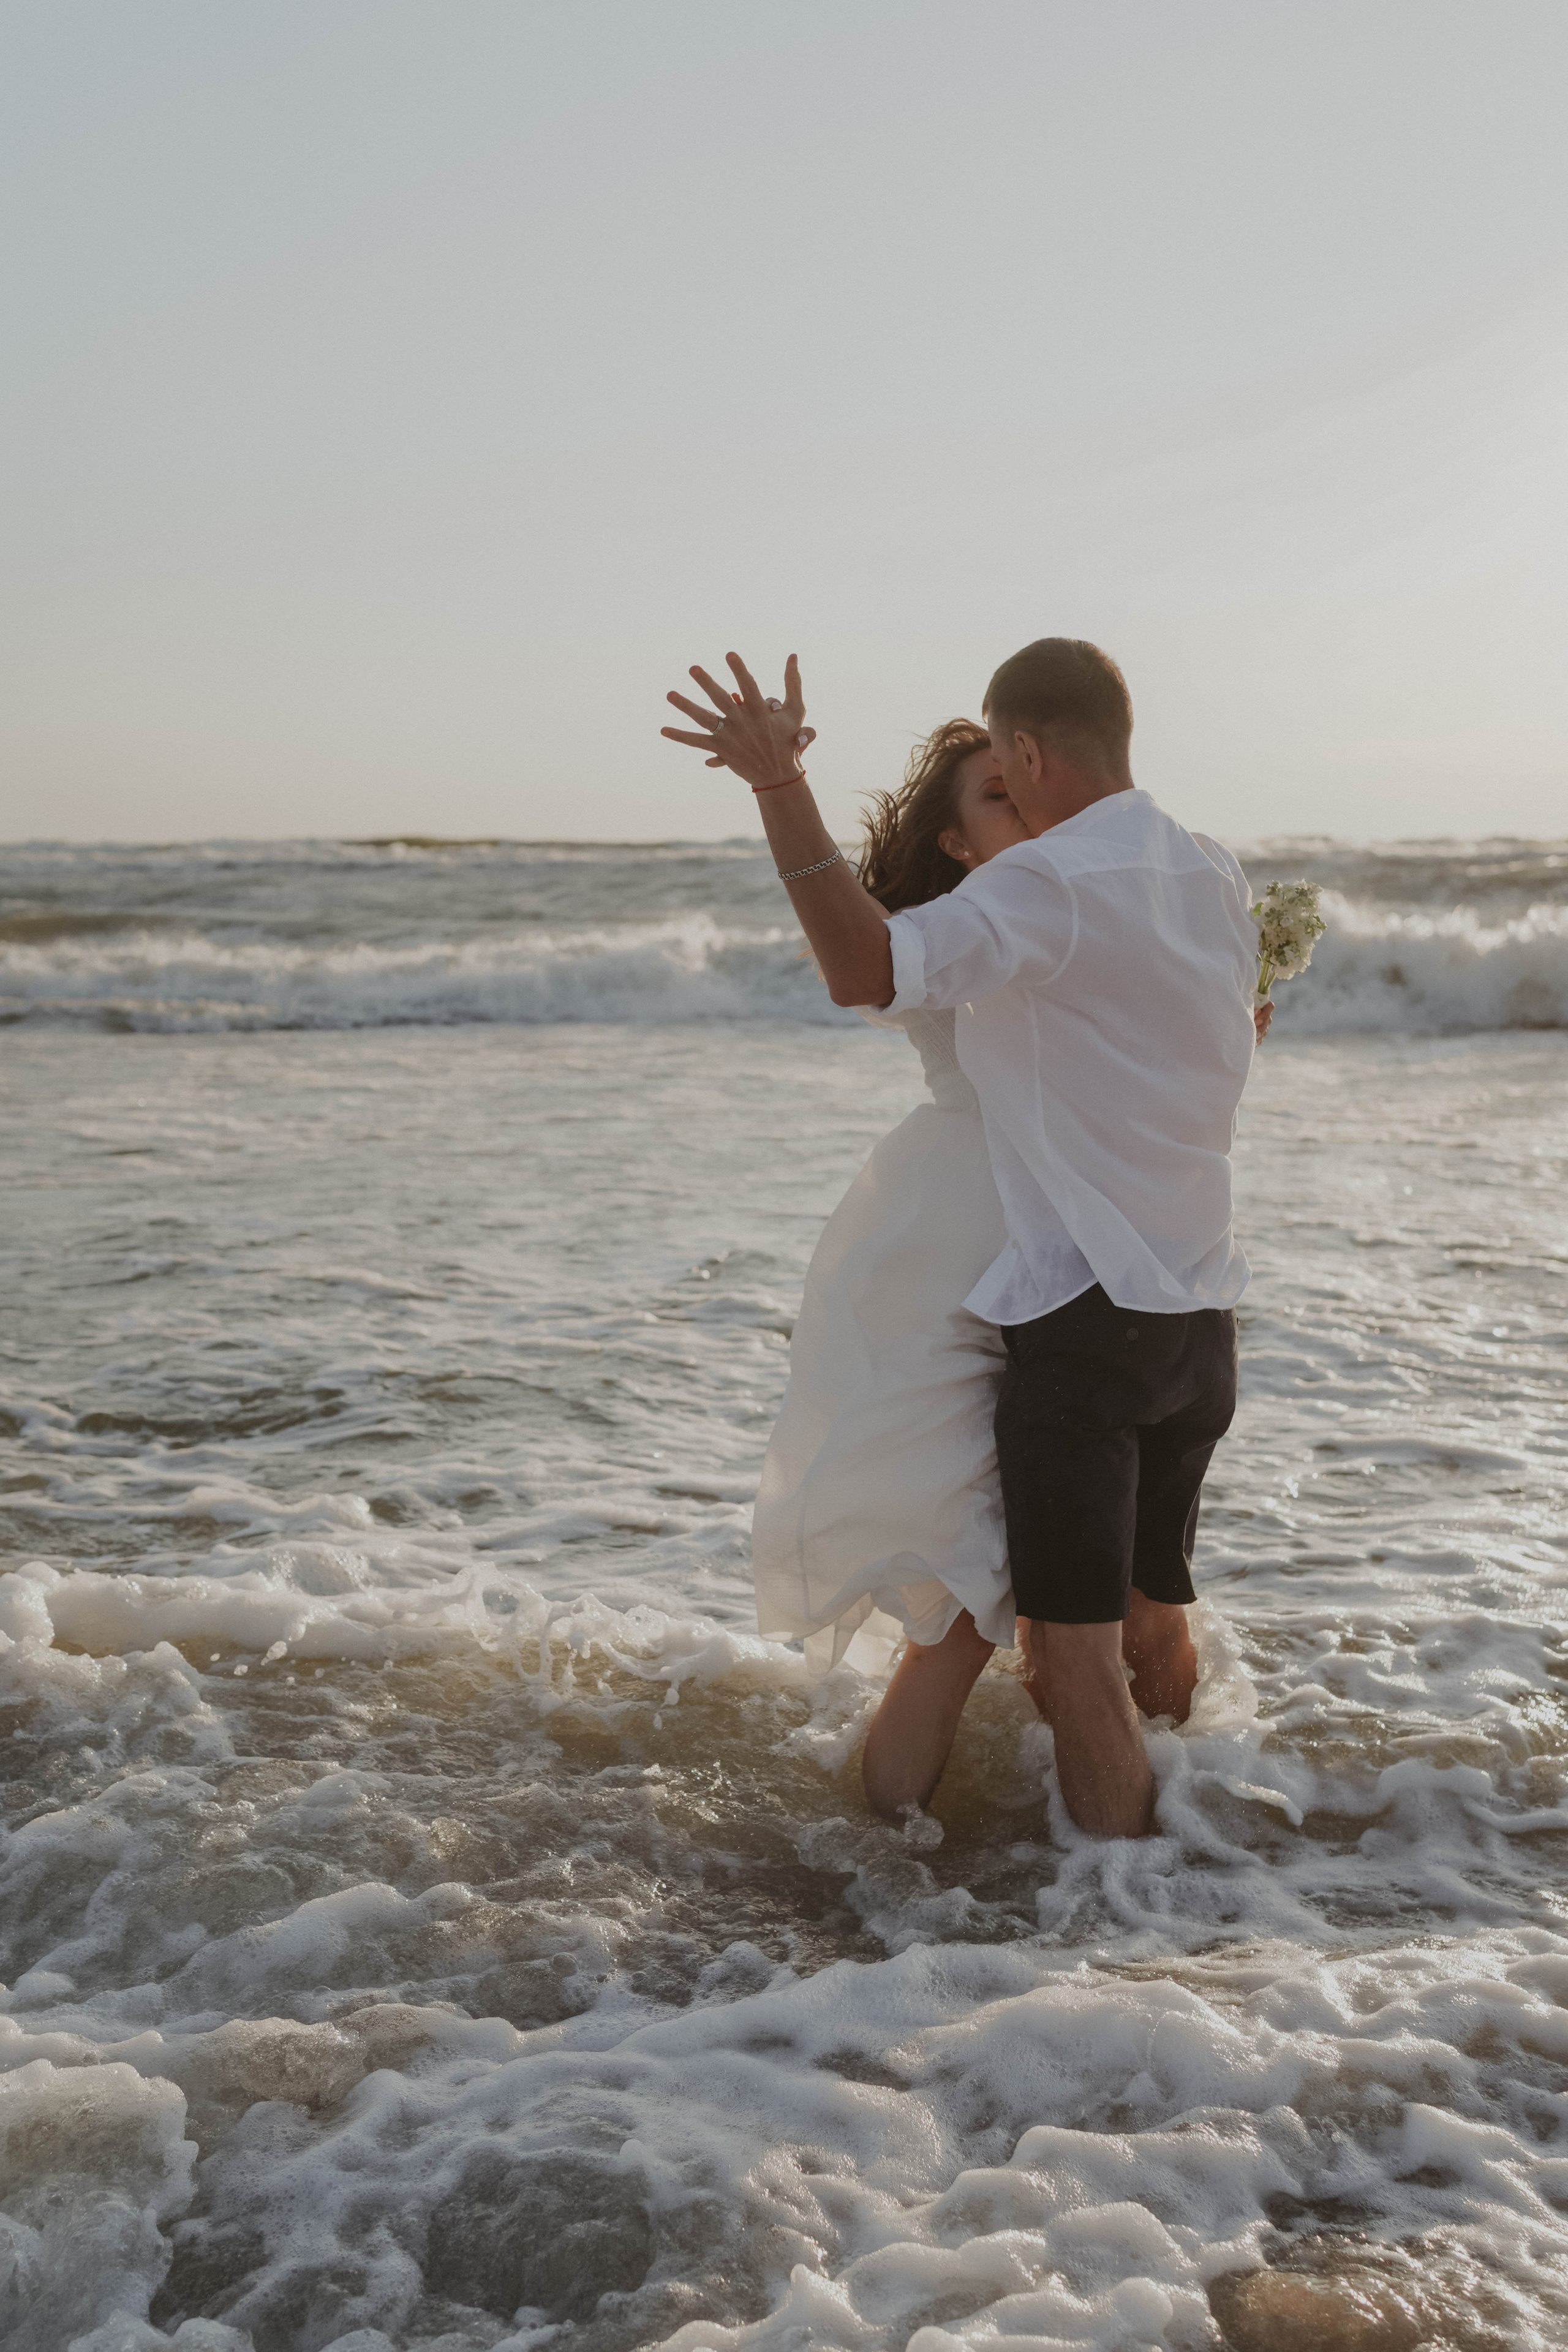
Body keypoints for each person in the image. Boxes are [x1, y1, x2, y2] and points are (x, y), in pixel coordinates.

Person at [663, 639, 1260, 1839]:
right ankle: (1204, 1870)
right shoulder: (1206, 870)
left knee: (1074, 1669)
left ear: (1030, 753)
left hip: (1083, 1326)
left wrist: (780, 789)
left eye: (1005, 770)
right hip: (1199, 1323)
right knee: (1147, 1625)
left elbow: (862, 969)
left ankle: (1132, 1946)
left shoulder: (1040, 887)